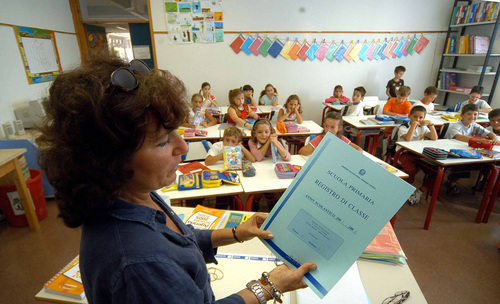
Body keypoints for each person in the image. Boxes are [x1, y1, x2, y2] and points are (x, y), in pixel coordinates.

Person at [36, 55, 316, 304]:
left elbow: (179, 238)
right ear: (110, 160)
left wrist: (236, 233)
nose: (183, 147)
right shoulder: (140, 265)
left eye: (176, 131)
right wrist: (268, 287)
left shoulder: (136, 192)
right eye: (162, 142)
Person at [395, 106, 438, 204]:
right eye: (415, 117)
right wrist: (413, 126)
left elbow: (434, 138)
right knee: (411, 170)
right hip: (404, 153)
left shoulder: (423, 127)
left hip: (419, 154)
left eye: (421, 118)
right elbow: (408, 139)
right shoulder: (404, 127)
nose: (418, 120)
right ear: (409, 116)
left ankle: (419, 192)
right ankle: (407, 191)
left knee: (435, 171)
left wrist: (431, 125)